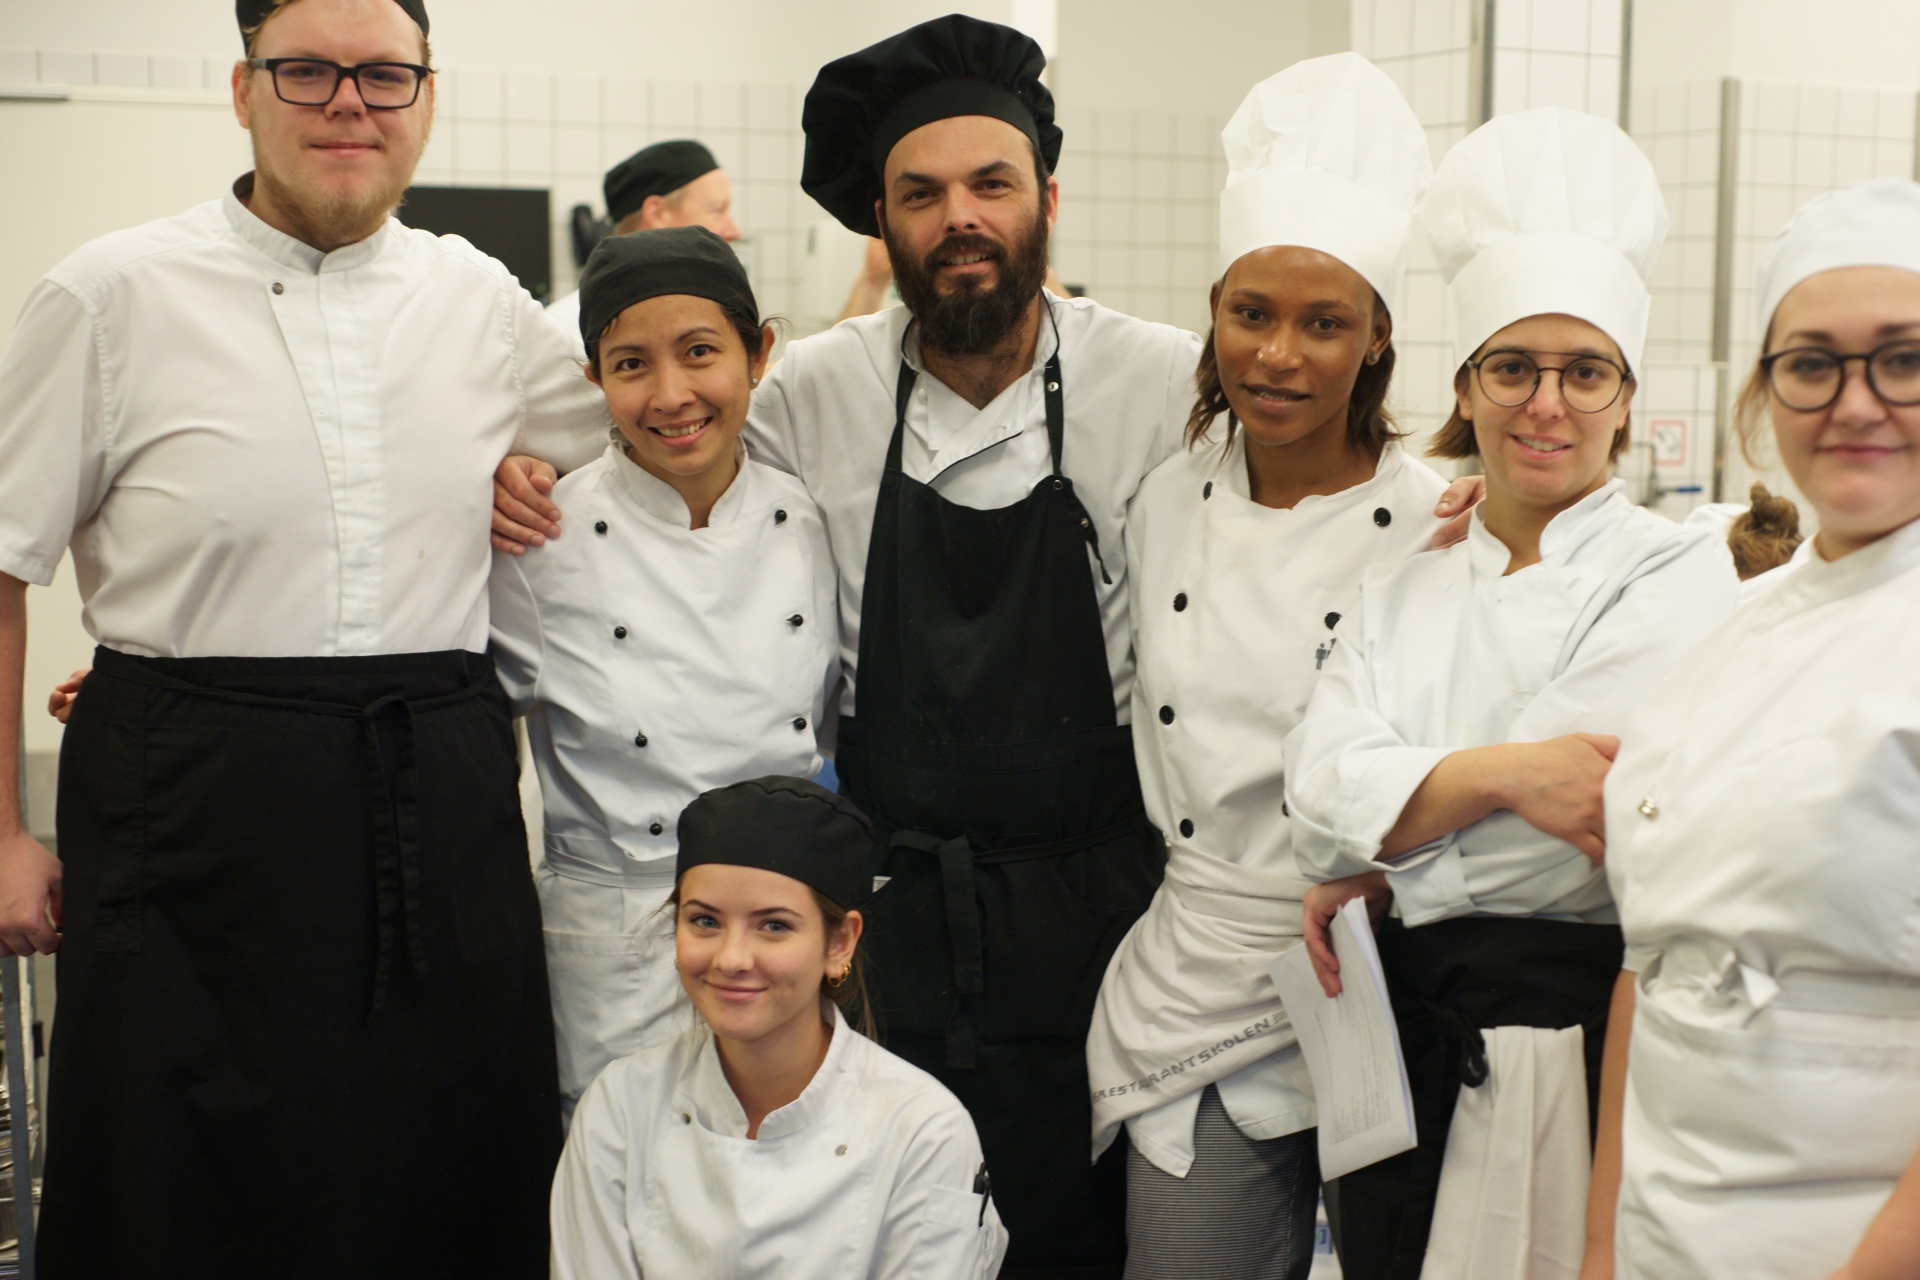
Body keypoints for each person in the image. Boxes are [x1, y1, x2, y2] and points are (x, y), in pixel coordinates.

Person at [0, 0, 609, 1274]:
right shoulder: (110, 293)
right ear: (242, 90)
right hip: (189, 798)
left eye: (386, 75)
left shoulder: (483, 301)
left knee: (438, 1166)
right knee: (176, 1173)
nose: (350, 102)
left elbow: (636, 444)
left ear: (427, 98)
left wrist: (516, 469)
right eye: (309, 71)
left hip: (433, 793)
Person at [1282, 107, 1741, 1280]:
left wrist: (1395, 854)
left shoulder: (1673, 566)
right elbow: (1313, 799)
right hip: (1405, 1037)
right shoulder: (1407, 578)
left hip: (1580, 1031)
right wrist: (1500, 777)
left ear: (1628, 398)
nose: (1548, 402)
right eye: (1515, 368)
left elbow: (1586, 819)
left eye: (1584, 371)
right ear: (1469, 386)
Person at [1081, 54, 1443, 1280]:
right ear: (1216, 311)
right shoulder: (1162, 499)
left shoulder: (1439, 526)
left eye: (1324, 321)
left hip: (1383, 973)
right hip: (1196, 976)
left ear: (1379, 334)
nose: (1279, 355)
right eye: (1253, 313)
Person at [1587, 178, 1920, 1280]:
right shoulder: (1733, 631)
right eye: (1813, 362)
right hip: (1667, 1235)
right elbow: (1652, 969)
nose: (1857, 401)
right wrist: (1601, 1252)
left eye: (1905, 358)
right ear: (1765, 394)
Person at [491, 225, 839, 1118]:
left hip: (778, 937)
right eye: (632, 364)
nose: (672, 395)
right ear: (593, 381)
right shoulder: (540, 538)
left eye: (700, 354)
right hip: (615, 947)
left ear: (759, 354)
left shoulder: (810, 523)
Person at [550, 776, 1007, 1279]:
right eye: (704, 921)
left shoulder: (924, 1130)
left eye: (774, 926)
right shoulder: (620, 1106)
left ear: (840, 944)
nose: (731, 958)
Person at [547, 139, 742, 357]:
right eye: (717, 211)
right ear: (657, 213)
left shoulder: (718, 310)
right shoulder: (563, 334)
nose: (734, 232)